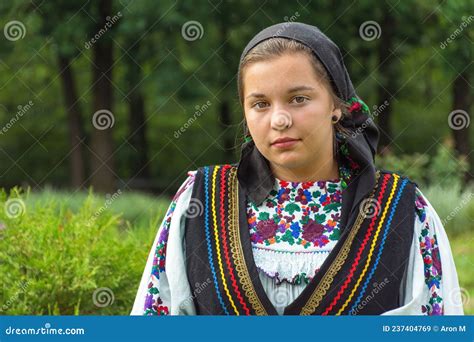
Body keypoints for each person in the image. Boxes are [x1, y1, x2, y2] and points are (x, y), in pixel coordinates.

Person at [131, 22, 463, 315]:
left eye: (298, 99)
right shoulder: (200, 202)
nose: (279, 119)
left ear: (335, 105)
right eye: (260, 104)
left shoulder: (401, 209)